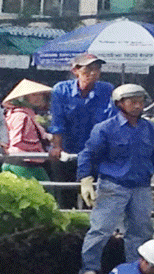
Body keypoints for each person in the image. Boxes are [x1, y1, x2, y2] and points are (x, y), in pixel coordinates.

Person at [76, 84, 154, 274]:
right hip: (113, 186)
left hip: (141, 187)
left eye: (140, 101)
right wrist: (85, 179)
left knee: (141, 231)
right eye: (132, 101)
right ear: (120, 103)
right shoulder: (105, 129)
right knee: (101, 229)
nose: (138, 105)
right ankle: (89, 268)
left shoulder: (150, 129)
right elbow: (88, 155)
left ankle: (136, 272)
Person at [49, 53, 118, 207]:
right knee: (65, 198)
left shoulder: (106, 90)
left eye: (97, 69)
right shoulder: (61, 90)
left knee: (95, 199)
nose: (93, 73)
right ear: (76, 71)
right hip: (68, 152)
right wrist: (57, 146)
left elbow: (111, 121)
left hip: (96, 153)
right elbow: (57, 121)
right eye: (88, 69)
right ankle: (68, 230)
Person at [1, 79, 52, 184]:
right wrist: (39, 144)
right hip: (22, 162)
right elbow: (17, 141)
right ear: (23, 97)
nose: (39, 98)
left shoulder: (27, 114)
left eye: (40, 94)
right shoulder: (21, 116)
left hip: (29, 162)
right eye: (33, 95)